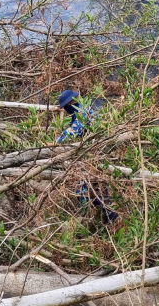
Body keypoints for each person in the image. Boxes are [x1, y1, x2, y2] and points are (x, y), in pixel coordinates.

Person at [56, 89, 118, 224]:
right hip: (92, 154)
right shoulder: (81, 110)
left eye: (66, 105)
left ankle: (83, 219)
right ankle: (108, 217)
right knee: (97, 185)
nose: (66, 109)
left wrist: (57, 141)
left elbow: (74, 131)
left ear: (71, 102)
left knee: (85, 185)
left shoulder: (82, 111)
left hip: (92, 155)